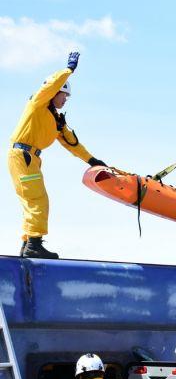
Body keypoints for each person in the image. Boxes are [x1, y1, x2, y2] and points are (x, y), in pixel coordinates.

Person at [8, 51, 109, 259]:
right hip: (23, 155)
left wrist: (91, 160)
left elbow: (72, 143)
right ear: (55, 92)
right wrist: (69, 70)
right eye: (64, 95)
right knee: (38, 200)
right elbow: (50, 85)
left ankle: (28, 243)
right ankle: (34, 244)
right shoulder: (38, 104)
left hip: (28, 158)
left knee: (32, 200)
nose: (66, 99)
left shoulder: (55, 119)